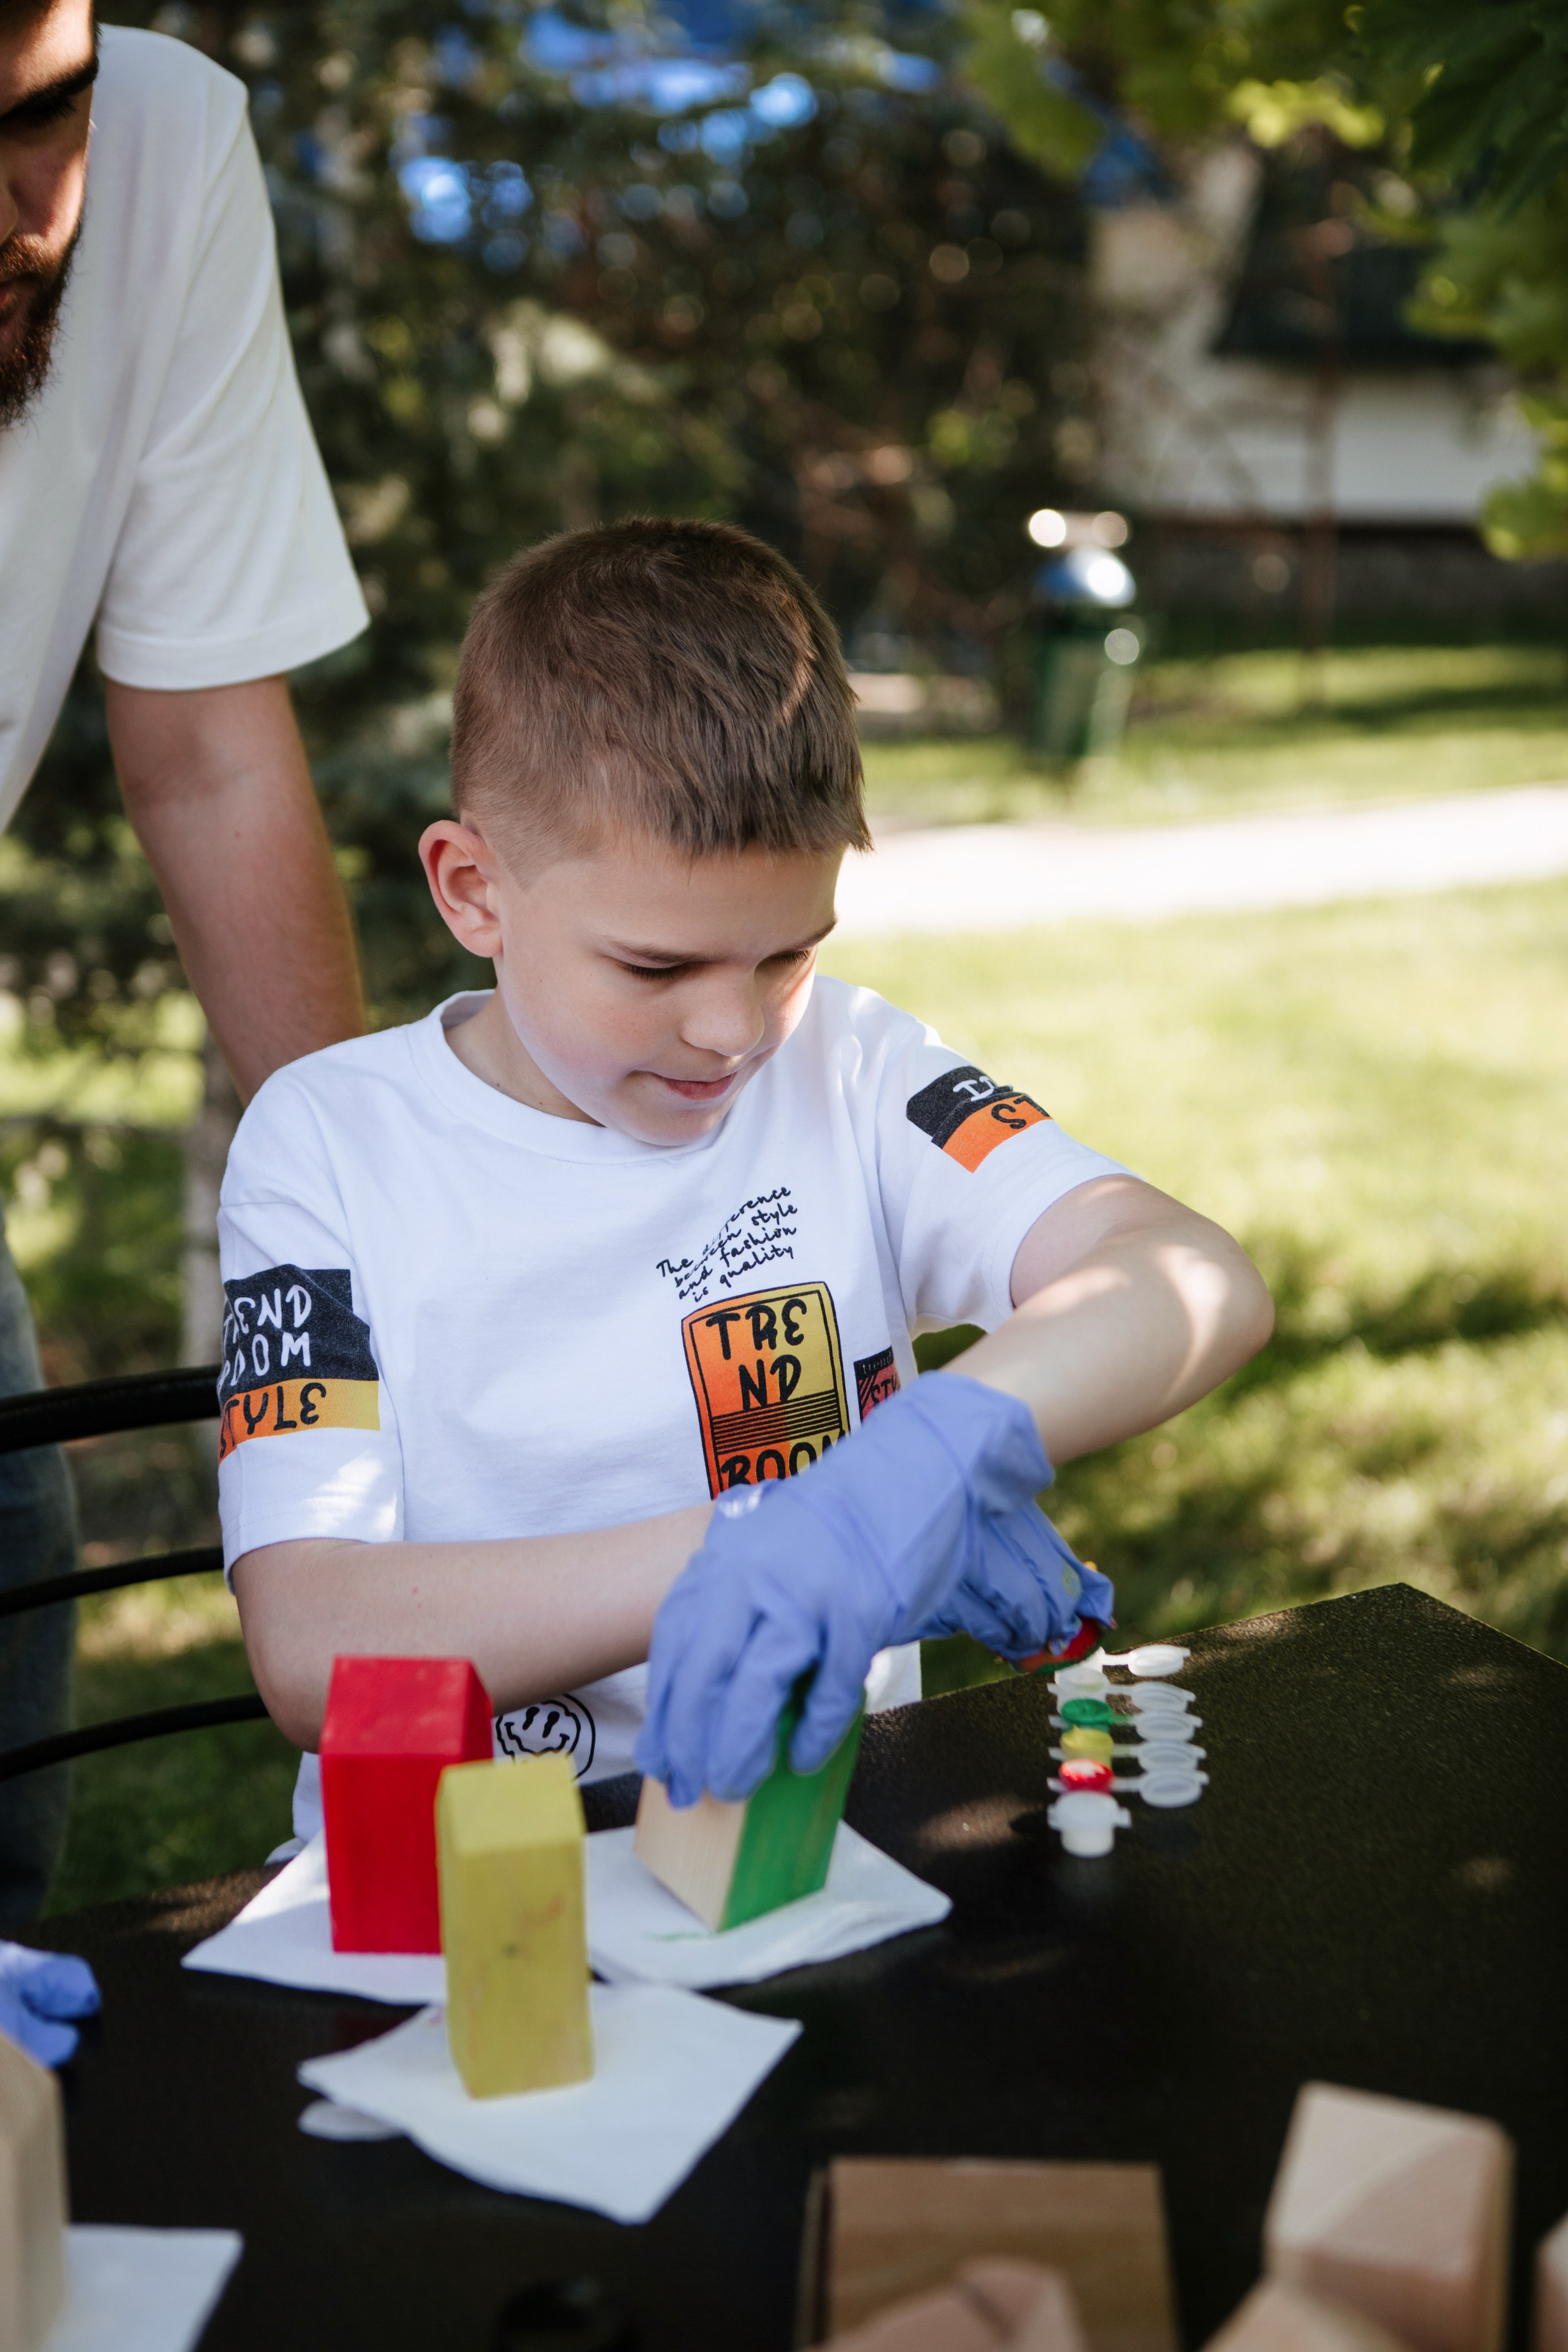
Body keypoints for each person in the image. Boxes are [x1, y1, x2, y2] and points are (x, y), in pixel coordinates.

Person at [214, 519, 1272, 1840]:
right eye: (655, 969)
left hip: (827, 1830)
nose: (731, 1031)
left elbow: (1189, 1279)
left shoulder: (853, 1070)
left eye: (786, 955)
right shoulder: (331, 1141)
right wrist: (782, 1537)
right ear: (473, 889)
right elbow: (314, 1647)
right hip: (467, 1883)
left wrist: (931, 1468)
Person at [0, 0, 368, 1924]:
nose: (19, 212)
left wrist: (381, 1227)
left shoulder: (162, 150)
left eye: (40, 115)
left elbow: (210, 745)